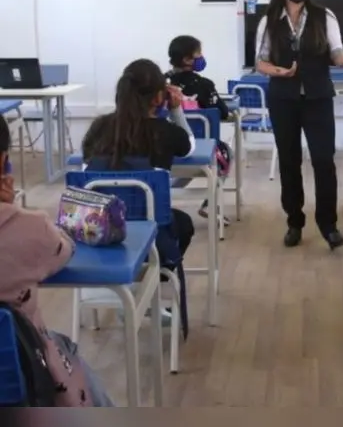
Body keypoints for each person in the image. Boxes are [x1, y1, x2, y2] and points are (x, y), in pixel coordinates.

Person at [0, 117, 114, 406]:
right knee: (64, 349)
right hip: (21, 372)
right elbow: (64, 249)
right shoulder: (25, 228)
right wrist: (11, 209)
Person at [256, 0, 343, 249]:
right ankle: (294, 221)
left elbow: (337, 51)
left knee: (323, 160)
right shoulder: (269, 21)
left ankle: (328, 225)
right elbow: (260, 61)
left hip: (317, 97)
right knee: (289, 161)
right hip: (283, 99)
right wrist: (278, 72)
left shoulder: (323, 15)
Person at [82, 59, 198, 333]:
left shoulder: (99, 127)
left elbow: (86, 166)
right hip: (151, 231)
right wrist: (176, 109)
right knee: (184, 225)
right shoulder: (166, 133)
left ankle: (133, 291)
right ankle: (147, 288)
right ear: (160, 96)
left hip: (97, 228)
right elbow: (189, 147)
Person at [165, 35, 233, 223]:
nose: (201, 57)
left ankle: (165, 189)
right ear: (187, 59)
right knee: (226, 153)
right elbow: (223, 113)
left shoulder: (162, 84)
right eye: (198, 54)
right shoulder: (204, 85)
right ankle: (209, 204)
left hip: (166, 148)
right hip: (202, 150)